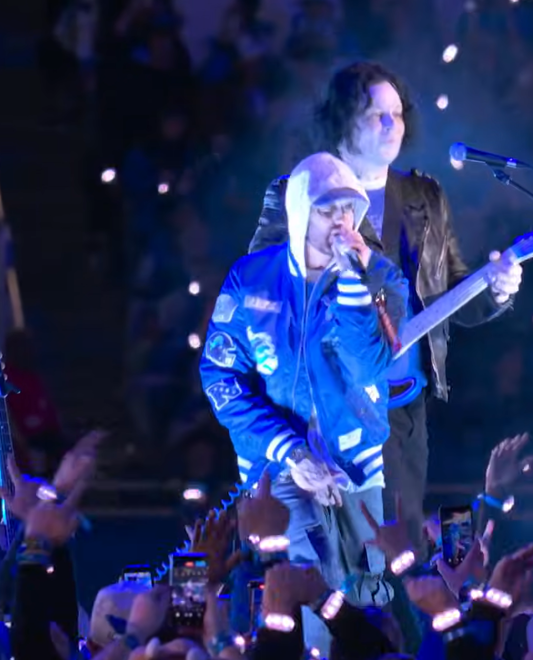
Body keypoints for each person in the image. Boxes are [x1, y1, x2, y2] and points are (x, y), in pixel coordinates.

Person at [248, 61, 524, 551]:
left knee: (394, 549)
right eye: (376, 113)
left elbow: (452, 294)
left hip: (400, 403)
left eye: (396, 114)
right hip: (325, 405)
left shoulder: (423, 195)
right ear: (341, 119)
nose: (390, 124)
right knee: (328, 554)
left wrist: (498, 288)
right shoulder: (297, 192)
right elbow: (262, 293)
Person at [199, 152, 409, 633]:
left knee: (361, 608)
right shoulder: (250, 279)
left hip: (354, 469)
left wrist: (354, 281)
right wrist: (290, 452)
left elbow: (372, 363)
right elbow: (220, 378)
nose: (340, 220)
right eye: (327, 208)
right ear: (298, 212)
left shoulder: (381, 279)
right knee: (299, 606)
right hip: (277, 473)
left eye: (348, 208)